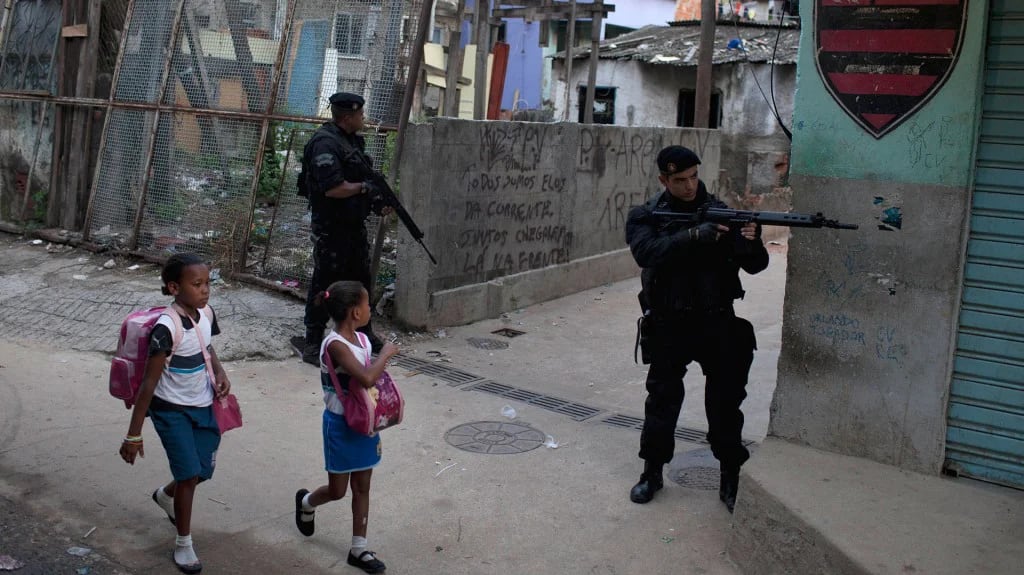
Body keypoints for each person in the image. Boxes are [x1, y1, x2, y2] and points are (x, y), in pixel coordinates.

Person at [624, 145, 768, 512]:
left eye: (693, 177)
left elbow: (756, 266)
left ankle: (729, 477)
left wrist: (751, 241)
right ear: (663, 180)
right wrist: (693, 236)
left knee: (725, 406)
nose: (689, 186)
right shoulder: (647, 215)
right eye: (679, 180)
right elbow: (647, 252)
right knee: (661, 402)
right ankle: (652, 472)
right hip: (669, 323)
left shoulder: (724, 214)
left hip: (717, 322)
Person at [119, 252, 232, 574]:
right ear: (173, 287)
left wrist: (220, 373)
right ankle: (184, 543)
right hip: (171, 411)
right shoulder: (166, 328)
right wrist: (133, 434)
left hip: (204, 404)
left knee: (201, 471)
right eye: (196, 284)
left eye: (207, 283)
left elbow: (206, 346)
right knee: (188, 476)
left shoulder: (206, 313)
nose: (205, 290)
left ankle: (164, 496)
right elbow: (148, 384)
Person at [294, 280, 399, 574]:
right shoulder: (335, 345)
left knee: (362, 487)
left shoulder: (363, 340)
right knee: (338, 490)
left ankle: (359, 549)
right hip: (340, 425)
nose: (369, 309)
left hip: (364, 423)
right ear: (355, 311)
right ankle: (306, 502)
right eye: (366, 304)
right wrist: (386, 354)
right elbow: (366, 378)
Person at [291, 92, 388, 367]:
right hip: (331, 229)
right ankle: (313, 341)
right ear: (348, 117)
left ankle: (363, 332)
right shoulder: (325, 143)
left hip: (352, 226)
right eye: (359, 115)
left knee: (359, 281)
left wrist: (376, 201)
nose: (363, 119)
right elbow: (333, 189)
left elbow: (361, 178)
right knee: (325, 284)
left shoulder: (351, 141)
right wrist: (363, 188)